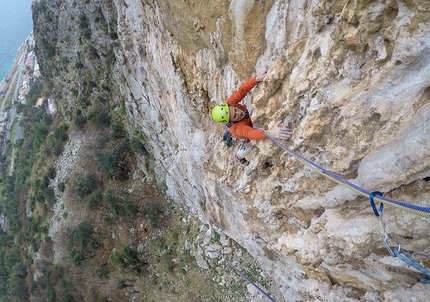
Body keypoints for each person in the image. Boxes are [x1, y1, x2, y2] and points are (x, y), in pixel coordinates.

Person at [211, 68, 292, 141]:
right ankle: (240, 155)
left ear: (230, 105)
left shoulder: (229, 103)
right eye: (235, 116)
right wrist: (270, 133)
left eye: (235, 110)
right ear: (231, 121)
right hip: (245, 131)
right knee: (247, 145)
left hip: (248, 120)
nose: (239, 113)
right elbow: (250, 133)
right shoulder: (237, 129)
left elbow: (242, 91)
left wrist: (256, 79)